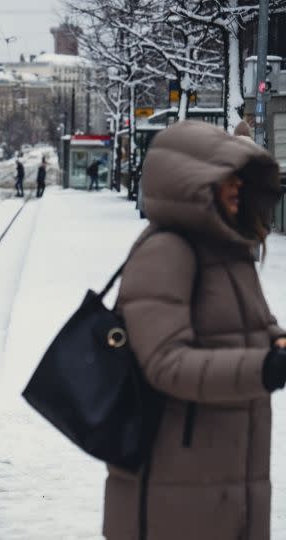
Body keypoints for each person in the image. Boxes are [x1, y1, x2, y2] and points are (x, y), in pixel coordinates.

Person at [105, 121, 284, 539]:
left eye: (242, 177)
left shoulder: (230, 250)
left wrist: (275, 339)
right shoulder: (166, 251)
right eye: (227, 177)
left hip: (225, 473)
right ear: (193, 182)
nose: (238, 186)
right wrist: (262, 368)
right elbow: (165, 363)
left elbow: (252, 323)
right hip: (176, 479)